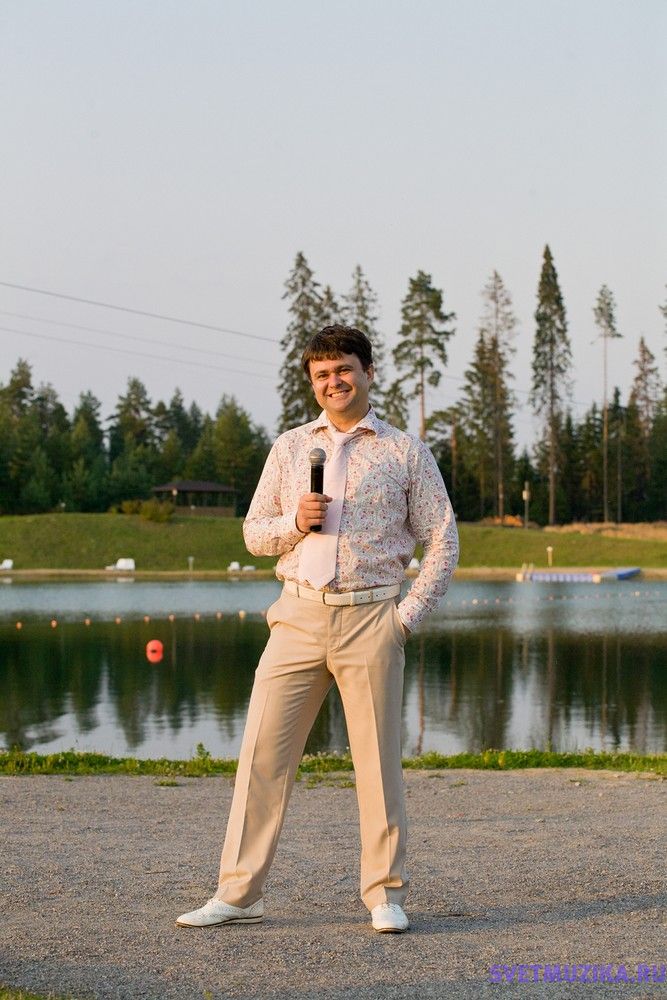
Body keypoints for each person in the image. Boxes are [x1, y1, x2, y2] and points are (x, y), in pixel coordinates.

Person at [176, 325, 458, 934]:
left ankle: (384, 894)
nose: (334, 382)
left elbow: (443, 541)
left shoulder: (405, 452)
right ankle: (239, 894)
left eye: (344, 369)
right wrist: (295, 524)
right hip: (298, 616)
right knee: (262, 755)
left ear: (368, 372)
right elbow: (254, 535)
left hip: (373, 618)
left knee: (377, 765)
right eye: (322, 374)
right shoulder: (291, 448)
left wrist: (404, 620)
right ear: (312, 382)